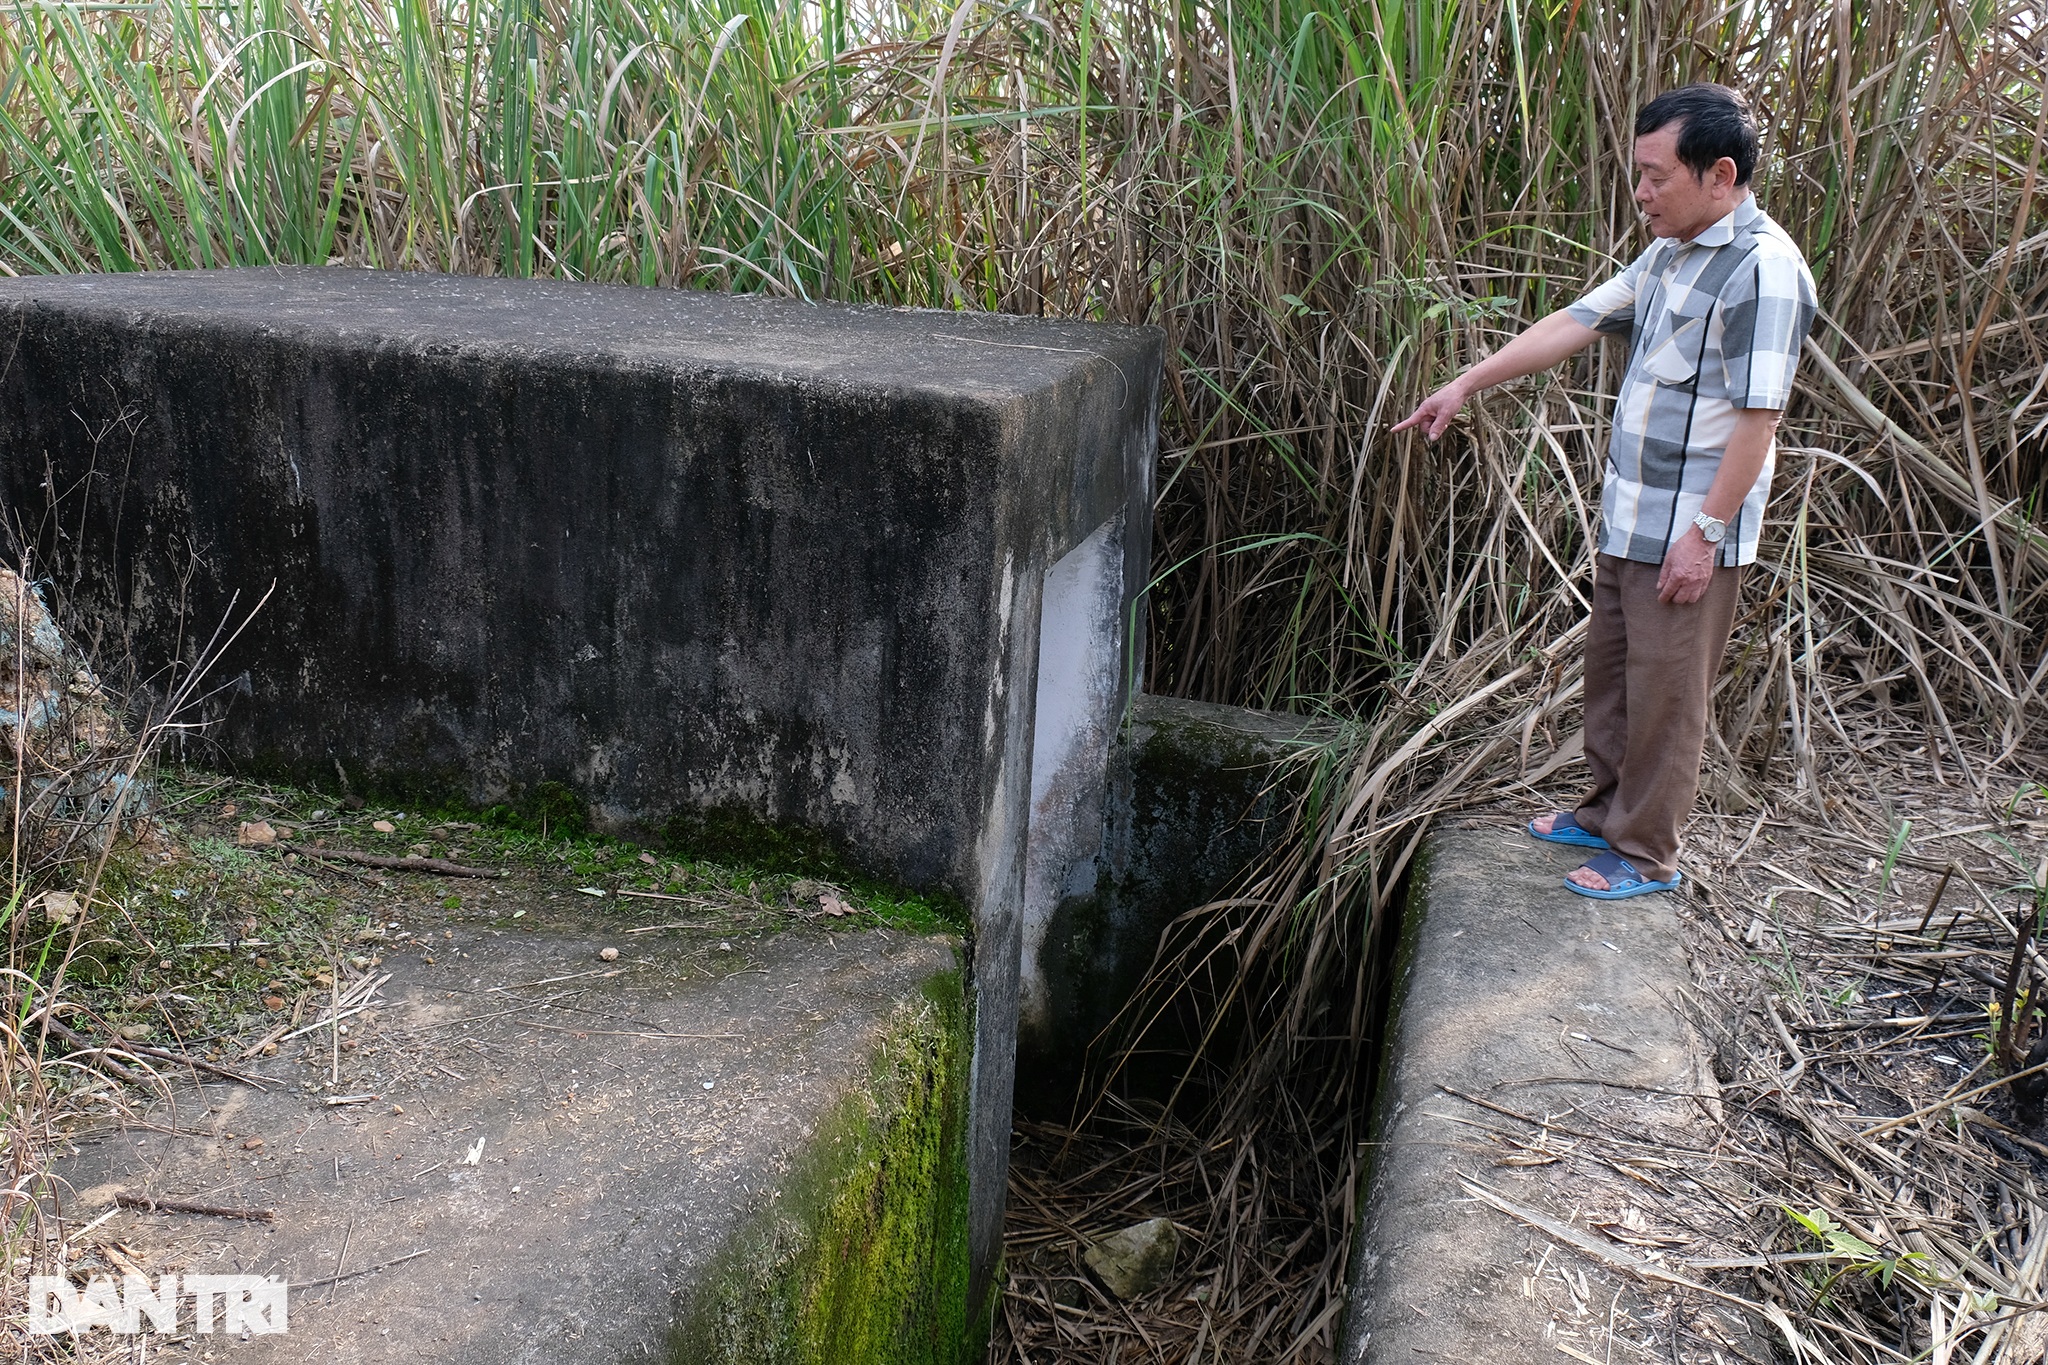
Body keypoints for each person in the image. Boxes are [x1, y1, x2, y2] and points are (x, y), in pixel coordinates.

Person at [1393, 83, 1817, 899]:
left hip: (1688, 526)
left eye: (1657, 175)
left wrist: (1705, 533)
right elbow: (1575, 322)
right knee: (1616, 672)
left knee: (1668, 689)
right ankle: (1601, 811)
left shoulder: (1763, 269)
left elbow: (1759, 421)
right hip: (1630, 515)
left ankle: (1647, 852)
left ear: (1720, 174)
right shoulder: (1668, 252)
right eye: (1638, 173)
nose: (1641, 192)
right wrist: (1466, 383)